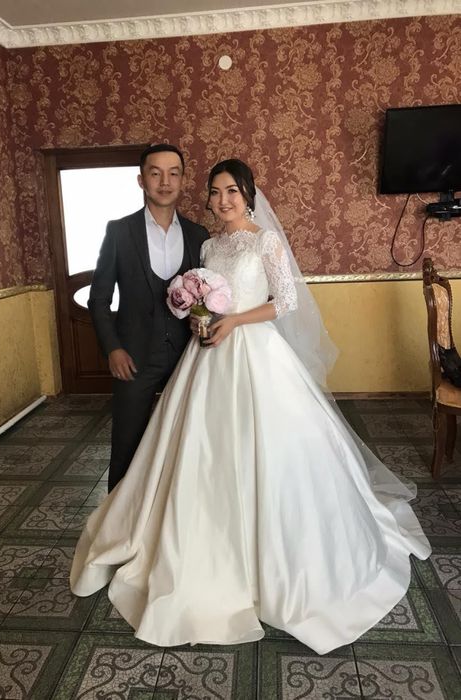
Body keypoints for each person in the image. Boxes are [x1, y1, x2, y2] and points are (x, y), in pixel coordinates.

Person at [71, 158, 431, 654]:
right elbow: (204, 301)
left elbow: (285, 301)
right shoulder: (208, 246)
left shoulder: (266, 241)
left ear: (248, 195)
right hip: (207, 356)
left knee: (267, 449)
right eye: (215, 192)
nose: (223, 201)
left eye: (232, 192)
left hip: (256, 353)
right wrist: (199, 316)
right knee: (199, 448)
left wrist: (235, 321)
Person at [88, 144, 209, 492]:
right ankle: (118, 518)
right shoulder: (119, 232)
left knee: (186, 441)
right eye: (155, 173)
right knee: (127, 443)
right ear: (141, 180)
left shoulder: (199, 235)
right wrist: (113, 348)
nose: (165, 182)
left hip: (188, 356)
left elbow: (206, 295)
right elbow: (98, 299)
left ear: (183, 180)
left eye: (173, 173)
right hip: (134, 356)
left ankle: (174, 511)